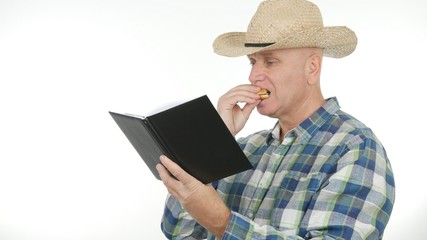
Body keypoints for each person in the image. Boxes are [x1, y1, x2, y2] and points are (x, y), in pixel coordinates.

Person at [156, 0, 395, 239]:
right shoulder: (245, 148)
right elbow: (179, 233)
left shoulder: (356, 147)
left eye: (270, 61)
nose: (253, 75)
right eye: (252, 62)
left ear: (312, 67)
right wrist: (216, 143)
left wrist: (222, 222)